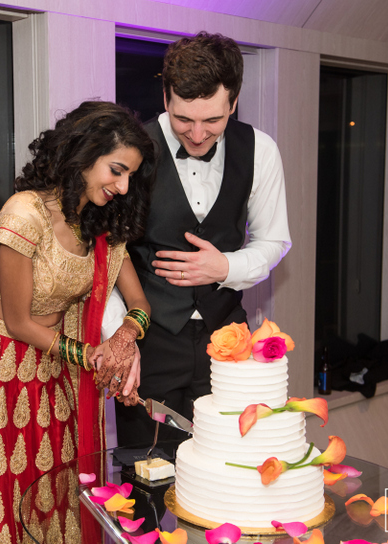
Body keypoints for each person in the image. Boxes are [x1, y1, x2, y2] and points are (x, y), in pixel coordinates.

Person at [0, 101, 156, 544]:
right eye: (116, 170)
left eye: (130, 175)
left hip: (54, 367)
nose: (124, 186)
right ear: (84, 155)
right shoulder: (23, 214)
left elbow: (140, 301)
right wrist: (94, 354)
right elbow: (17, 322)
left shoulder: (100, 223)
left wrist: (126, 337)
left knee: (53, 489)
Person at [111, 31, 292, 448]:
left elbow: (274, 240)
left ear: (234, 100)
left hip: (226, 338)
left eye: (212, 120)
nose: (195, 134)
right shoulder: (132, 150)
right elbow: (108, 257)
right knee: (146, 475)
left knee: (228, 466)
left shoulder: (260, 150)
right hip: (149, 340)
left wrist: (226, 267)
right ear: (165, 95)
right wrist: (120, 335)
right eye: (182, 119)